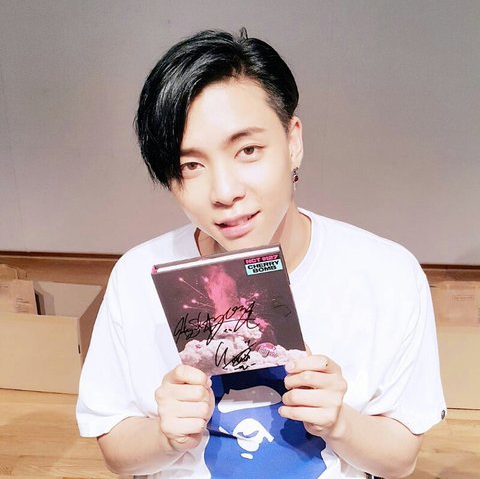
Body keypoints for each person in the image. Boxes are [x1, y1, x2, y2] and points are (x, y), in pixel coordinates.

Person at [76, 29, 446, 478]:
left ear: (293, 141)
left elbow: (401, 460)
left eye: (247, 150)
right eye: (191, 165)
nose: (224, 191)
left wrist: (341, 423)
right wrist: (163, 436)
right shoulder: (137, 276)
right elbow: (116, 452)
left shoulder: (388, 275)